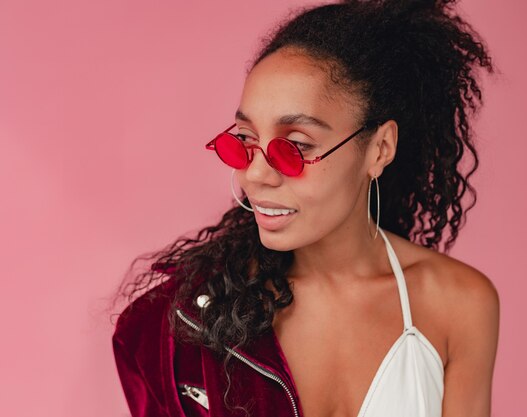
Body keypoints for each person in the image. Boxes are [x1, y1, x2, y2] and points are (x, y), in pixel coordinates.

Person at [111, 0, 500, 416]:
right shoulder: (173, 328)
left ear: (379, 149)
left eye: (295, 146)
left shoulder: (460, 304)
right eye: (245, 139)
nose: (256, 174)